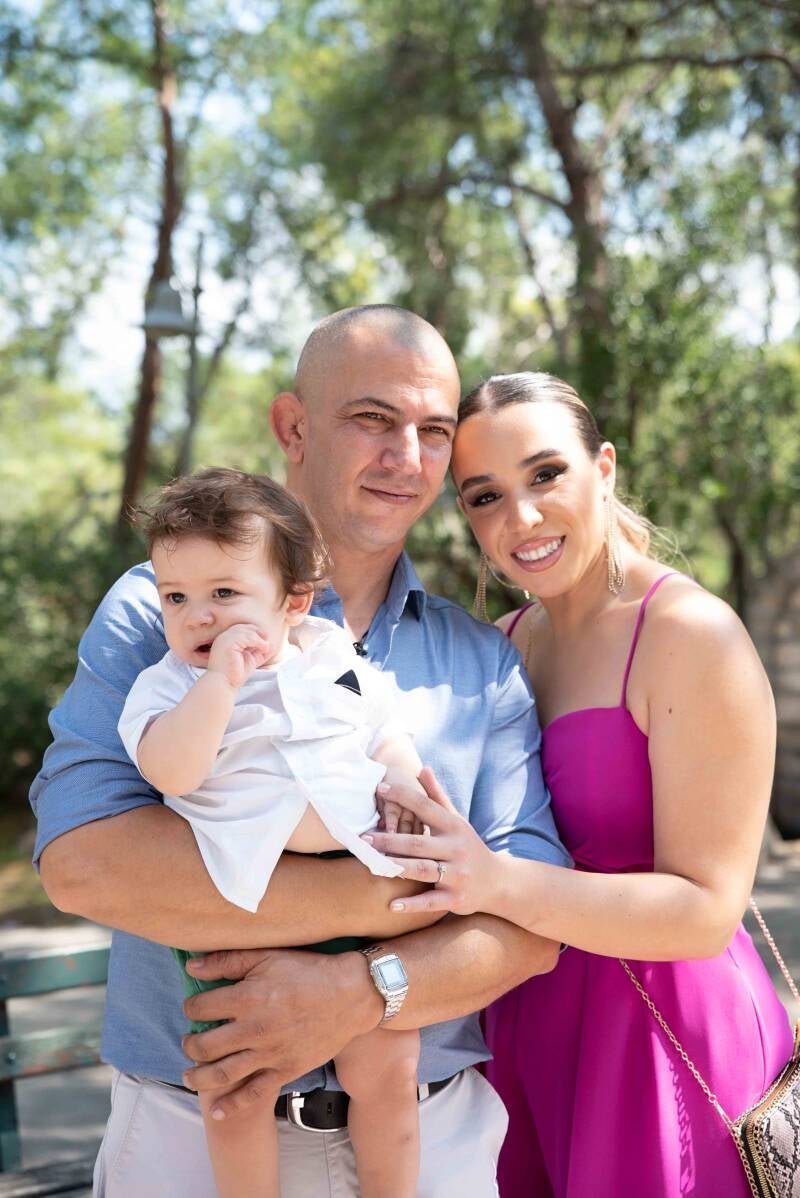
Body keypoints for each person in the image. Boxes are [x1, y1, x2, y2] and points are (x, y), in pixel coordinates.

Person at [30, 310, 570, 1198]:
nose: (406, 456)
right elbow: (85, 864)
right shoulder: (166, 611)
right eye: (373, 418)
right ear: (293, 427)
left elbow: (532, 926)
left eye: (434, 431)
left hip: (424, 1135)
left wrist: (362, 990)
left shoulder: (482, 663)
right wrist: (408, 903)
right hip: (190, 1131)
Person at [364, 371, 795, 1198]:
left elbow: (708, 911)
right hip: (524, 1031)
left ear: (603, 468)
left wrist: (494, 880)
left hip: (664, 1043)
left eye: (546, 475)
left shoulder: (689, 634)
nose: (521, 518)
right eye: (485, 496)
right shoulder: (501, 646)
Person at [120, 468, 427, 1198]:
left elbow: (385, 732)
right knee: (236, 1089)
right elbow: (172, 771)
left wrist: (406, 783)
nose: (199, 617)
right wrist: (219, 686)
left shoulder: (332, 657)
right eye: (176, 598)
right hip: (238, 910)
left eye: (225, 593)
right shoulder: (170, 685)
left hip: (358, 891)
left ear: (293, 601)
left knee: (388, 1071)